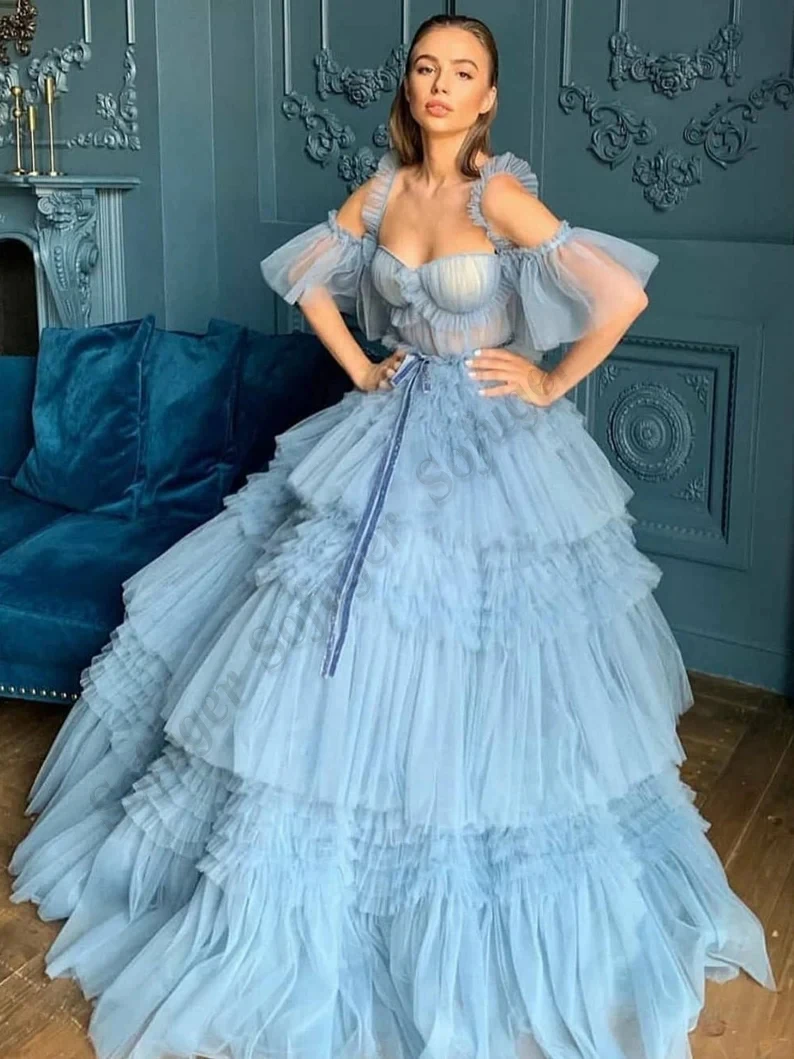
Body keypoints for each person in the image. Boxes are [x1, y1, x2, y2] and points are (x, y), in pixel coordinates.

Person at [7, 12, 776, 1059]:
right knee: (333, 639)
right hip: (386, 425)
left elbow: (619, 293)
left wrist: (548, 380)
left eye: (462, 71)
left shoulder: (496, 194)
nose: (440, 84)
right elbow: (305, 279)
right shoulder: (379, 192)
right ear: (407, 85)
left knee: (467, 651)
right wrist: (364, 366)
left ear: (488, 97)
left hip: (488, 450)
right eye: (425, 67)